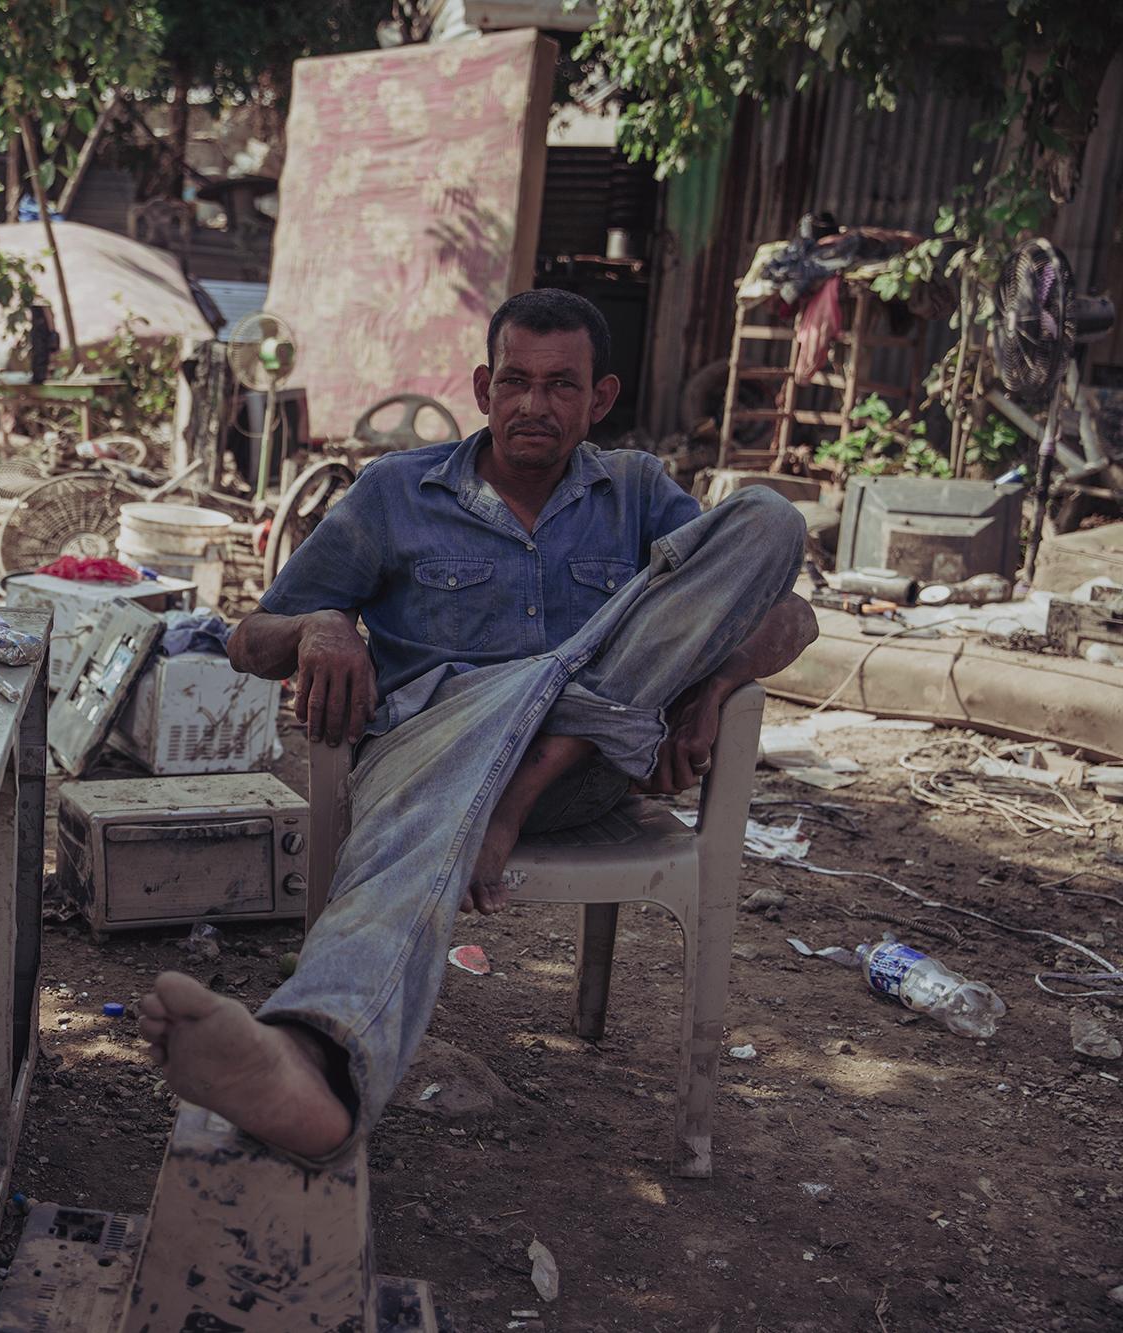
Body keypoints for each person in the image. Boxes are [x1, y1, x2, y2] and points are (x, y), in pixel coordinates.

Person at [137, 289, 816, 1162]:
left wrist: (712, 682)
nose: (534, 405)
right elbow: (247, 637)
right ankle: (311, 1057)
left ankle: (517, 788)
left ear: (599, 399)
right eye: (516, 382)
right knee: (418, 829)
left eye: (562, 385)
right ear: (483, 386)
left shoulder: (639, 492)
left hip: (580, 782)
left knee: (772, 516)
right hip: (436, 752)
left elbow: (788, 613)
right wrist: (322, 625)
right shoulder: (394, 493)